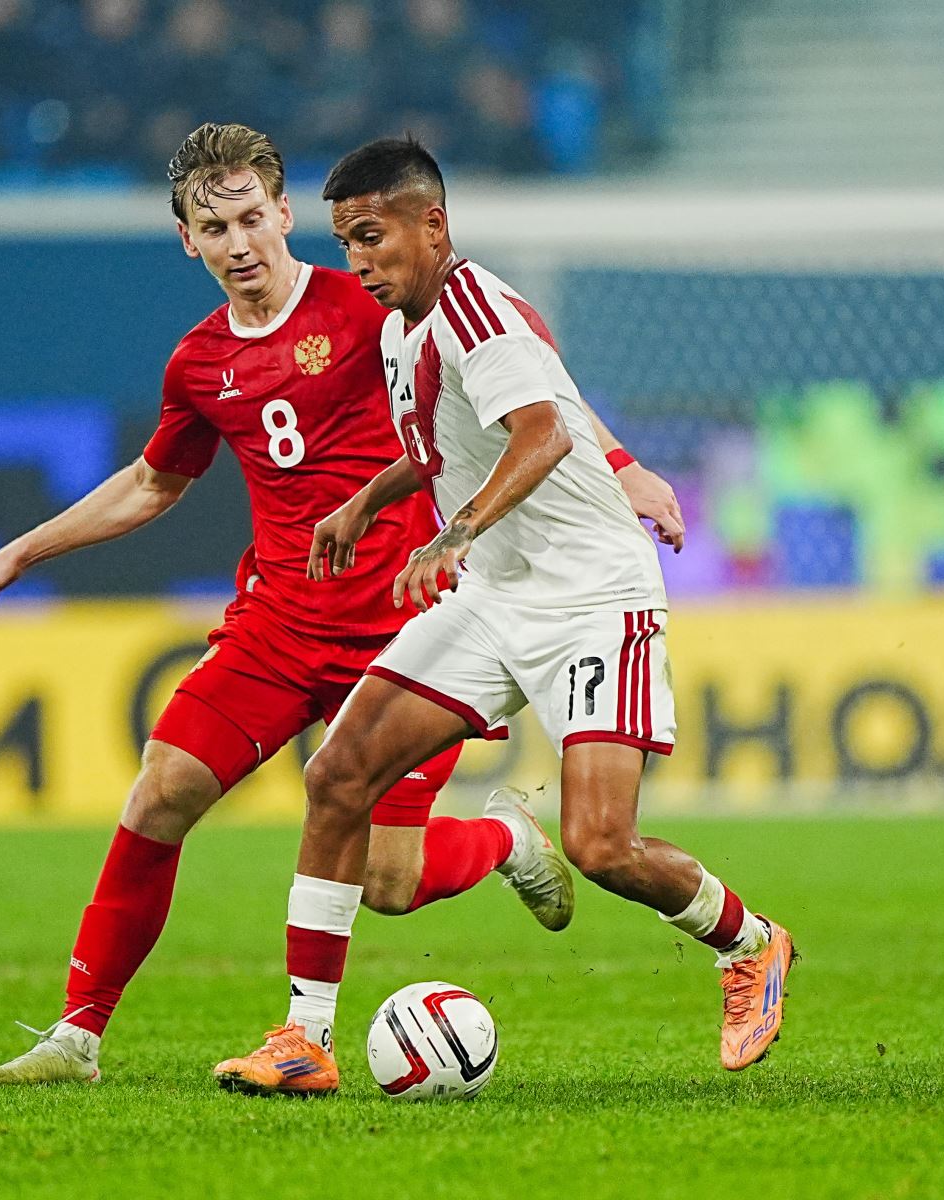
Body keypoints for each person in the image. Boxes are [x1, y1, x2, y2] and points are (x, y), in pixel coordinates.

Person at [0, 123, 685, 1085]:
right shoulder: (200, 363)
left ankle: (503, 838)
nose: (240, 242)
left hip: (407, 617)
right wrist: (19, 553)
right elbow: (150, 484)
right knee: (161, 789)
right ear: (188, 240)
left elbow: (533, 387)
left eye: (253, 217)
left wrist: (622, 467)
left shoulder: (378, 297)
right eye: (216, 227)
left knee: (388, 881)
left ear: (286, 213)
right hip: (281, 622)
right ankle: (76, 1038)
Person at [213, 137, 793, 1097]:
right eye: (345, 241)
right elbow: (446, 445)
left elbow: (543, 430)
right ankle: (303, 1039)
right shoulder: (406, 329)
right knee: (339, 774)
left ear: (431, 225)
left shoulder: (478, 309)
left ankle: (751, 944)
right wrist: (366, 502)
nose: (356, 260)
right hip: (497, 594)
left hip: (592, 599)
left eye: (372, 236)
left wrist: (453, 536)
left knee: (601, 846)